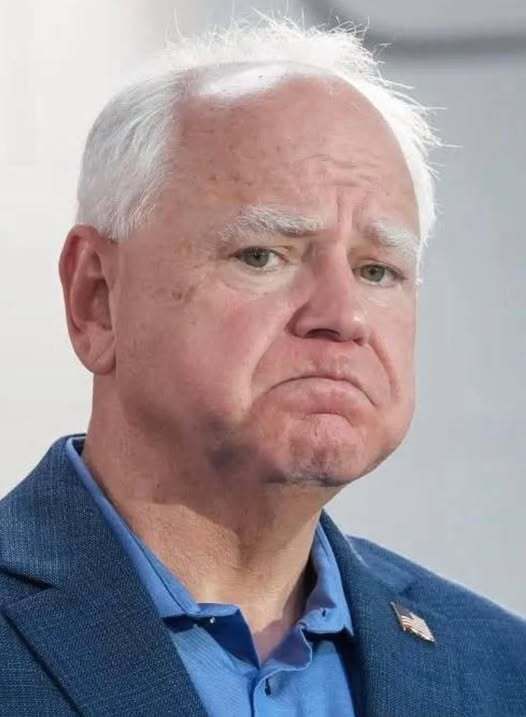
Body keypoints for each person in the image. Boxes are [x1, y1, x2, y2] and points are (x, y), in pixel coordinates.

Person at [1, 16, 524, 717]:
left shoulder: (500, 670)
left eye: (377, 269)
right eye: (262, 255)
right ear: (96, 299)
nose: (343, 315)